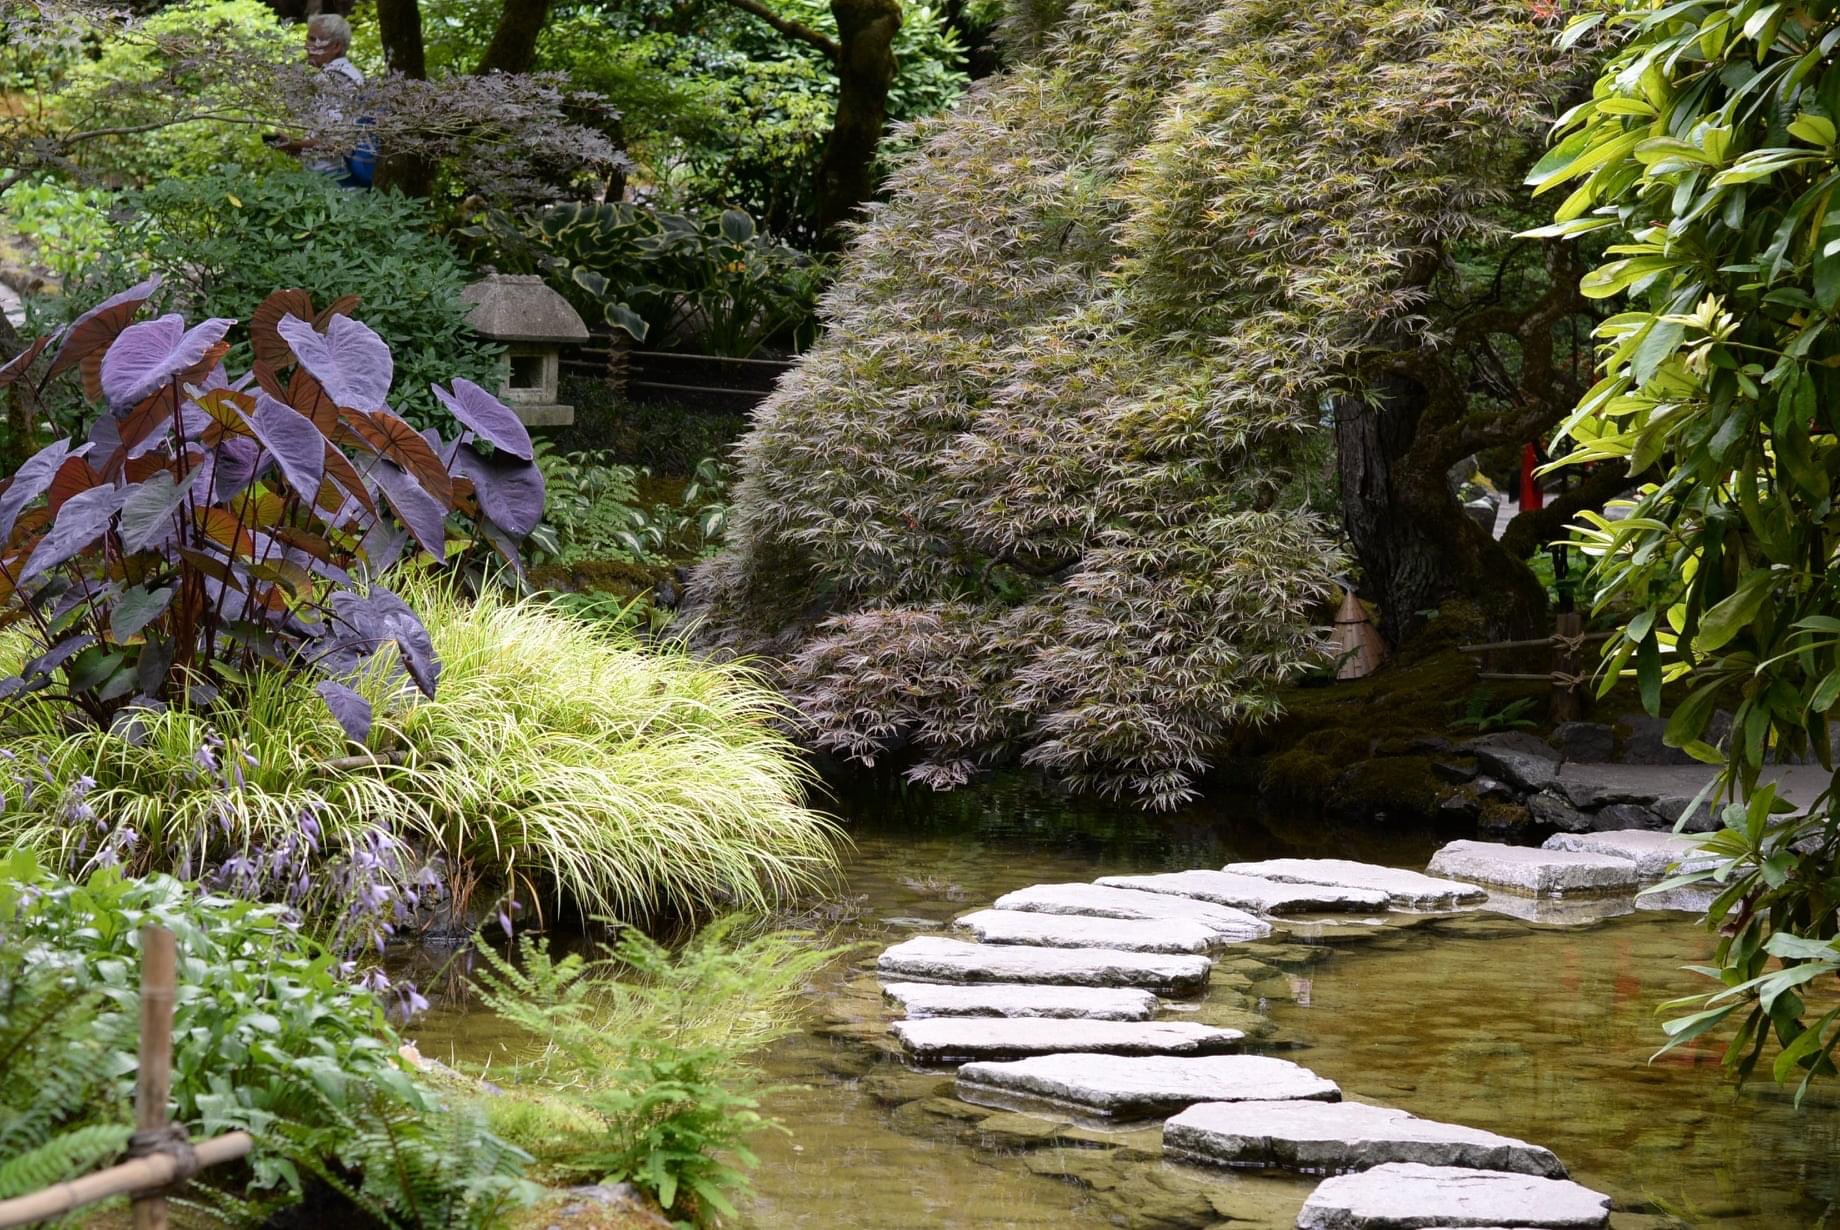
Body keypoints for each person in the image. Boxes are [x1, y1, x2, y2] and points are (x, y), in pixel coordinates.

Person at [274, 16, 373, 187]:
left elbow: (335, 141)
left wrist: (293, 145)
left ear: (336, 46)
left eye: (314, 40)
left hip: (335, 182)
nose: (306, 46)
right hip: (346, 180)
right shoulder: (352, 75)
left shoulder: (333, 79)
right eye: (308, 39)